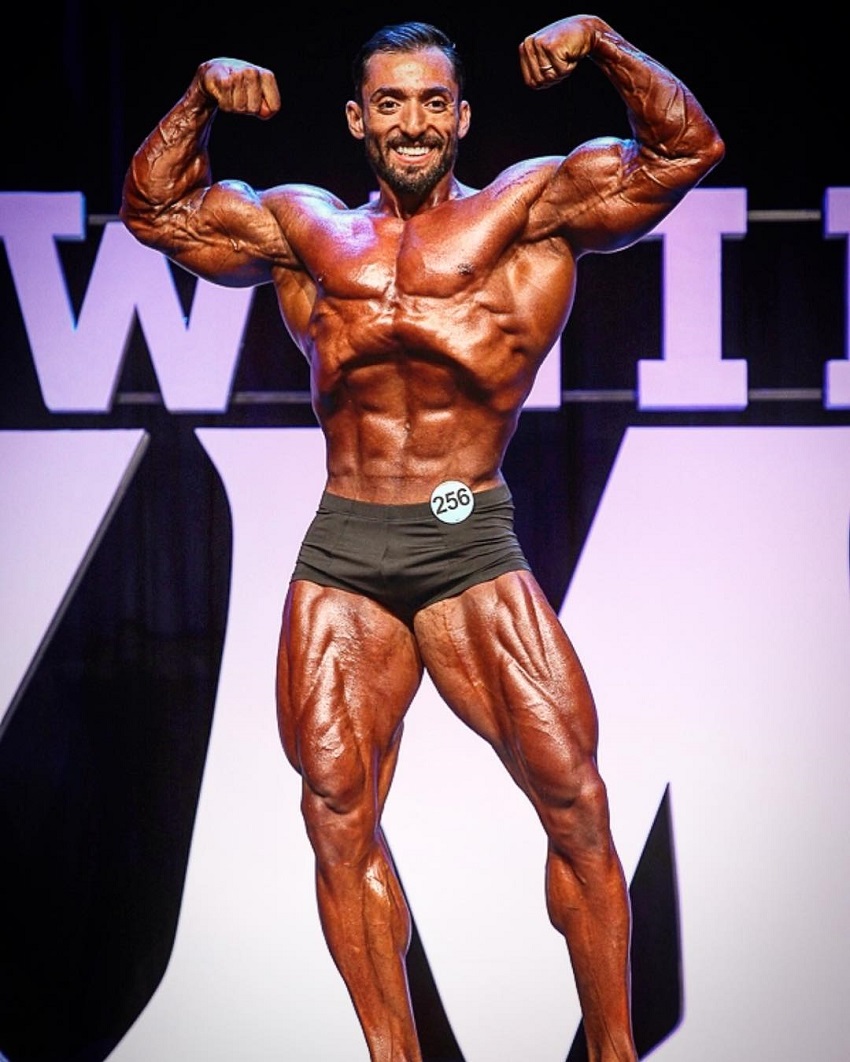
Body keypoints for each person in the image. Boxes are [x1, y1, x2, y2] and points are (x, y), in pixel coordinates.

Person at [121, 13, 723, 1061]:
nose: (413, 122)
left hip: (462, 528)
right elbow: (155, 209)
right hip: (344, 548)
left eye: (433, 102)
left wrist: (601, 40)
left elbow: (685, 150)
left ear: (462, 117)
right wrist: (200, 95)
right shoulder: (305, 230)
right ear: (358, 119)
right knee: (335, 811)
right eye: (391, 103)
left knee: (575, 801)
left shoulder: (527, 210)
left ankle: (615, 1050)